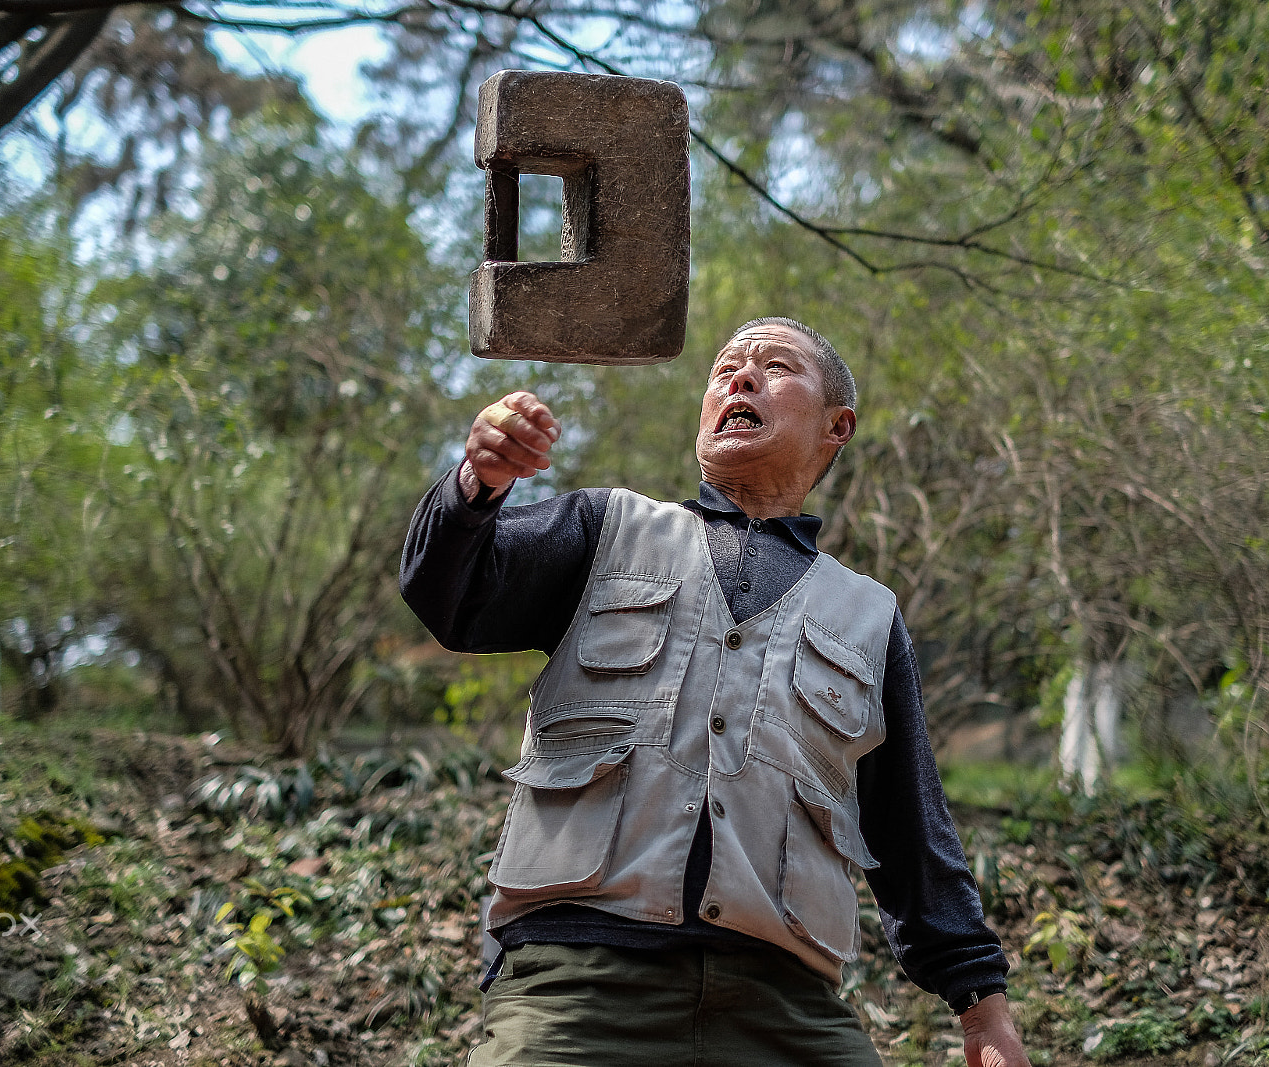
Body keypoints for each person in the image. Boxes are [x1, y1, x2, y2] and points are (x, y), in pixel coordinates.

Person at [400, 318, 1031, 1067]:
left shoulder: (869, 614)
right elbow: (451, 596)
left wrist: (982, 1010)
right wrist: (477, 485)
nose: (739, 378)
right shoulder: (605, 528)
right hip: (575, 988)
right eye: (725, 369)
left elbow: (910, 825)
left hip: (783, 1004)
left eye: (775, 366)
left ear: (838, 426)